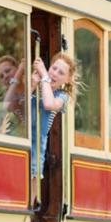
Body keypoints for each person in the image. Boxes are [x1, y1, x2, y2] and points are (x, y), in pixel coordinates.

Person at [30, 51, 76, 181]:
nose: (54, 73)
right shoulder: (36, 83)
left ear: (67, 79)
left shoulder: (62, 96)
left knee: (31, 186)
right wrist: (32, 85)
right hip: (20, 137)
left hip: (36, 146)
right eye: (53, 68)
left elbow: (48, 104)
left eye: (61, 73)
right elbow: (15, 105)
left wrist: (44, 75)